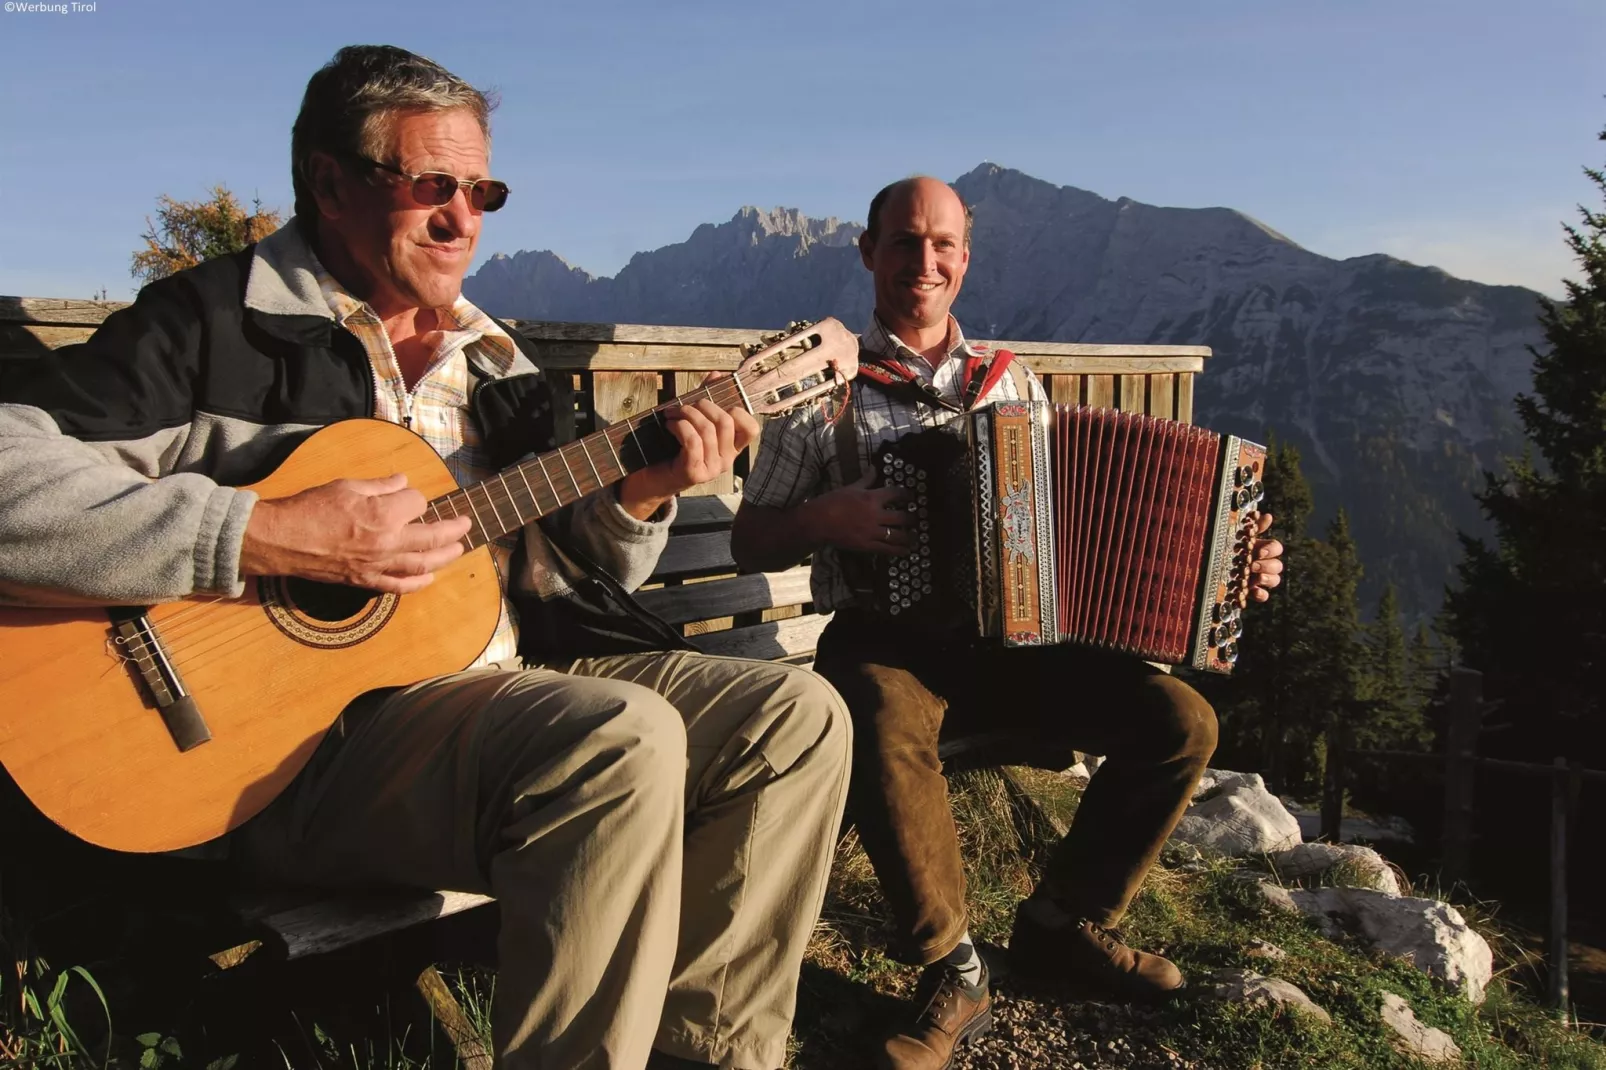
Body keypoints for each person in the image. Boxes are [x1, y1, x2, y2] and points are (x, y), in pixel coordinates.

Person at [0, 45, 852, 1070]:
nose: (465, 217)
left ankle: (701, 1055)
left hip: (497, 702)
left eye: (481, 189)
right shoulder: (211, 327)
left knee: (797, 716)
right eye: (431, 186)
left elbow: (584, 582)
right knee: (616, 737)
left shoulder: (498, 365)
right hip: (283, 754)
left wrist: (638, 493)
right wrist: (263, 534)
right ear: (330, 181)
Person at [731, 176, 1284, 1070]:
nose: (925, 261)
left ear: (965, 259)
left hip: (1014, 645)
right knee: (875, 715)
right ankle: (954, 969)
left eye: (943, 244)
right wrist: (820, 520)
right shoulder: (820, 389)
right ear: (868, 253)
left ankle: (1063, 923)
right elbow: (752, 535)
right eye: (905, 242)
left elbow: (1097, 523)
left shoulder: (1011, 383)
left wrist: (1229, 564)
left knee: (1181, 722)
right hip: (885, 640)